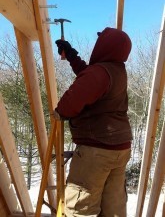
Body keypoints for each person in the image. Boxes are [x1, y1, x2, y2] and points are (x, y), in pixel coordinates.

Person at [54, 27, 132, 217]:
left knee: (82, 206)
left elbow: (71, 101)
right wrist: (72, 55)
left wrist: (60, 112)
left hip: (97, 149)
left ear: (104, 46)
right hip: (120, 148)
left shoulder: (99, 73)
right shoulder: (116, 70)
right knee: (113, 206)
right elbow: (89, 76)